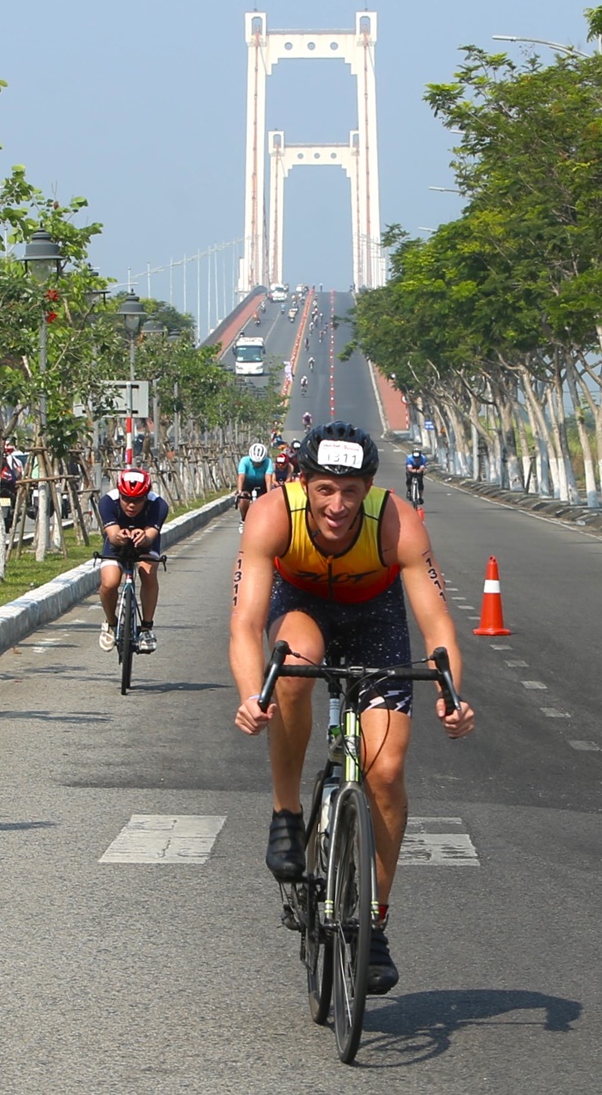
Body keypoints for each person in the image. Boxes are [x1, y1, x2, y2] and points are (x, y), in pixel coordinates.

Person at [229, 421, 473, 995]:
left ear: (368, 489)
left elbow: (437, 623)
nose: (337, 506)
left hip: (374, 620)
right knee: (294, 664)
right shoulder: (271, 515)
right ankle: (287, 813)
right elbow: (244, 622)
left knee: (385, 773)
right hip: (301, 608)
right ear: (303, 484)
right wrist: (250, 693)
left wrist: (452, 695)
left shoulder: (396, 522)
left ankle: (373, 922)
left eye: (351, 491)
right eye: (324, 491)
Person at [97, 468, 169, 654]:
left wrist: (143, 537)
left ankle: (146, 628)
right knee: (110, 582)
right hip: (117, 542)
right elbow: (112, 535)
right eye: (126, 498)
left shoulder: (159, 505)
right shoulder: (107, 502)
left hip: (145, 541)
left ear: (146, 496)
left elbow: (151, 535)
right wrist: (119, 536)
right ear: (119, 494)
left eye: (137, 500)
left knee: (148, 572)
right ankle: (111, 624)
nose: (131, 505)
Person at [235, 442, 275, 524]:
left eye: (259, 463)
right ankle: (244, 518)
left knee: (265, 500)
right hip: (248, 483)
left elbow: (268, 478)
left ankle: (264, 518)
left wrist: (269, 493)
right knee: (243, 499)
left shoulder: (268, 462)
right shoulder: (244, 460)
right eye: (254, 462)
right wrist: (239, 491)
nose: (257, 464)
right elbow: (241, 476)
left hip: (262, 483)